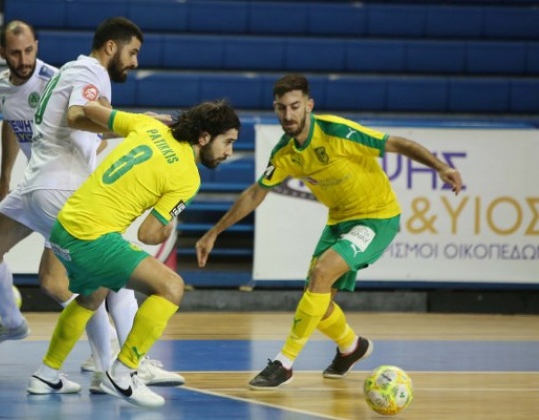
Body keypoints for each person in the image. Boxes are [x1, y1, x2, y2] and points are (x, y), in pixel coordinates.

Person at [195, 74, 463, 390]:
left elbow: (397, 143)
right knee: (318, 302)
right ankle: (352, 347)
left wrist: (440, 166)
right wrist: (214, 232)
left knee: (321, 274)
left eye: (295, 106)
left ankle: (284, 363)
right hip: (339, 222)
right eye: (281, 108)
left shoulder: (337, 132)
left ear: (309, 106)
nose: (288, 115)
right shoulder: (285, 152)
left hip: (377, 219)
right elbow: (257, 192)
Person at [0, 18, 181, 393]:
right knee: (105, 279)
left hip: (36, 185)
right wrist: (139, 123)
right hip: (61, 188)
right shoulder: (92, 72)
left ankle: (91, 366)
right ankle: (121, 368)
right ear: (112, 47)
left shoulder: (69, 70)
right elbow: (78, 115)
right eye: (132, 52)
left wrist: (138, 125)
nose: (134, 62)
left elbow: (86, 123)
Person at [26, 99, 240, 407]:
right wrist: (167, 228)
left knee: (92, 294)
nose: (229, 152)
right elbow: (148, 234)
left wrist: (141, 116)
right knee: (171, 287)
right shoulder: (189, 178)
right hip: (92, 237)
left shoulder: (148, 125)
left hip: (64, 227)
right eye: (228, 142)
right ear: (204, 137)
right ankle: (124, 372)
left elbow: (90, 109)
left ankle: (46, 373)